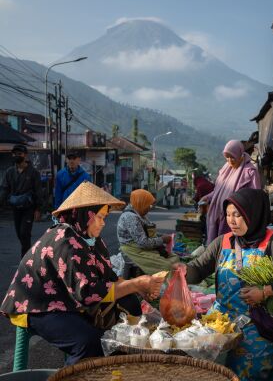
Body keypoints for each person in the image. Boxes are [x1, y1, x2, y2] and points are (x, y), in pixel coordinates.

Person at [0, 181, 166, 365]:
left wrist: (138, 289)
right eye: (100, 217)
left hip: (65, 298)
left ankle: (117, 362)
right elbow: (88, 293)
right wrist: (136, 284)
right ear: (85, 216)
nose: (103, 223)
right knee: (88, 343)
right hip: (36, 305)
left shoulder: (90, 239)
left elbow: (108, 278)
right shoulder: (65, 240)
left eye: (105, 217)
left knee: (130, 302)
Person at [175, 188, 273, 380]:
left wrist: (266, 291)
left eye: (237, 215)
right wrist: (184, 271)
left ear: (253, 214)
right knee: (206, 367)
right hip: (221, 321)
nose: (231, 221)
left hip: (257, 323)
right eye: (228, 215)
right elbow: (199, 268)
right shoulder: (222, 242)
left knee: (242, 373)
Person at [200, 139, 261, 244]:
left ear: (240, 154)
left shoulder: (249, 172)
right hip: (218, 216)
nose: (229, 160)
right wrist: (208, 197)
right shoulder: (226, 169)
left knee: (231, 247)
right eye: (227, 157)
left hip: (235, 220)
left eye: (232, 156)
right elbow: (217, 190)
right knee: (218, 247)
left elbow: (256, 197)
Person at [117, 189, 180, 275]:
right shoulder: (130, 217)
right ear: (141, 203)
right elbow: (143, 242)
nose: (149, 208)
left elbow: (147, 232)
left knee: (174, 258)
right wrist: (162, 239)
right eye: (148, 205)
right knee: (167, 266)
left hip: (141, 248)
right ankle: (163, 287)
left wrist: (161, 236)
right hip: (134, 250)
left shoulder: (140, 214)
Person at [0, 144, 42, 257]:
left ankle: (26, 257)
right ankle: (28, 253)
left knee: (24, 233)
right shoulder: (9, 172)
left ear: (25, 155)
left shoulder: (34, 173)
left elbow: (38, 191)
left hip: (28, 208)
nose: (17, 156)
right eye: (14, 154)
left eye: (20, 154)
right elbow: (4, 189)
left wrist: (38, 209)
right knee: (19, 233)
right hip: (15, 208)